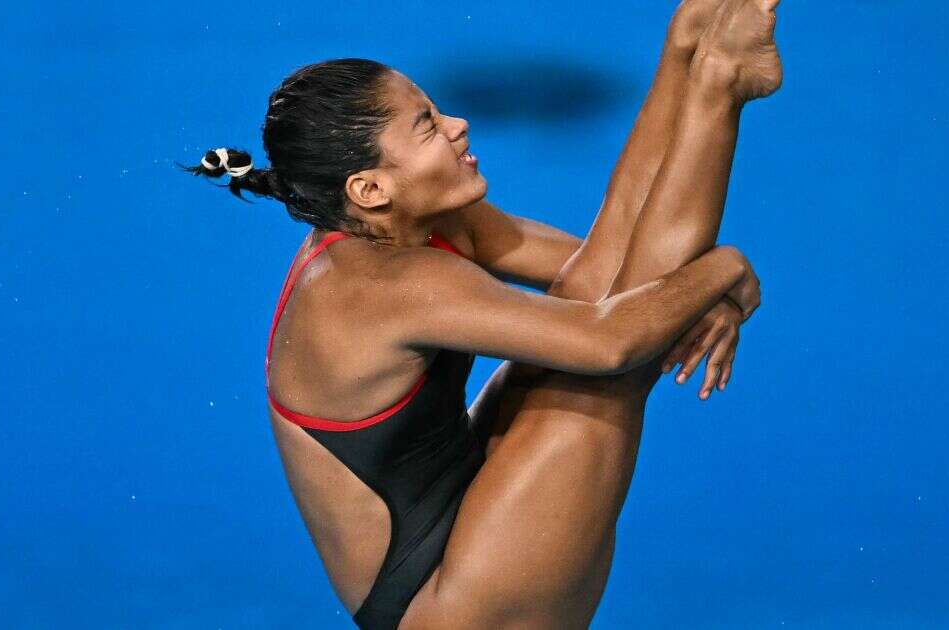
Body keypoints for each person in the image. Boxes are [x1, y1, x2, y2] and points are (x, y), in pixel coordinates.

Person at [183, 1, 780, 627]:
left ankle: (698, 59)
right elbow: (614, 342)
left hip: (464, 517)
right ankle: (721, 88)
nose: (458, 125)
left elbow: (606, 274)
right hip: (441, 602)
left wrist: (677, 59)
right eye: (427, 126)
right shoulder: (377, 287)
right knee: (609, 377)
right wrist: (724, 269)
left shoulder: (418, 223)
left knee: (594, 311)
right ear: (369, 189)